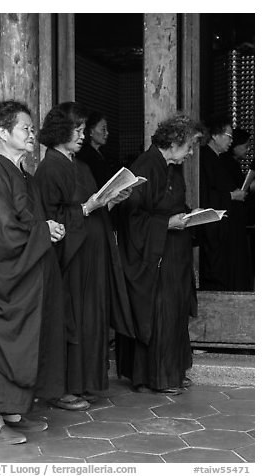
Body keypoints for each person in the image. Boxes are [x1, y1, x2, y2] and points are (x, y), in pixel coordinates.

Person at [0, 100, 66, 444]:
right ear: (2, 133)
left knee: (22, 343)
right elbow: (1, 233)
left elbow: (24, 220)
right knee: (0, 343)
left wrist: (47, 227)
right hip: (2, 280)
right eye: (25, 128)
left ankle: (11, 412)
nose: (32, 134)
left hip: (24, 277)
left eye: (32, 128)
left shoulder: (18, 171)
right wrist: (41, 232)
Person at [34, 101, 134, 410]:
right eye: (77, 130)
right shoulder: (50, 166)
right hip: (71, 260)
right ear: (60, 131)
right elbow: (48, 217)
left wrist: (112, 200)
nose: (81, 135)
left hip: (92, 257)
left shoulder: (81, 166)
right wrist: (87, 208)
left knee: (92, 321)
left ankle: (86, 383)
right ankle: (63, 388)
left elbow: (93, 207)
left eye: (81, 130)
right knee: (71, 321)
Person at [116, 113, 203, 395]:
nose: (190, 153)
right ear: (175, 141)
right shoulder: (145, 166)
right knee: (159, 312)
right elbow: (131, 217)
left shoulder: (171, 167)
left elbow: (172, 203)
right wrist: (167, 223)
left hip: (174, 251)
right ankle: (154, 377)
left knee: (174, 313)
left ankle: (171, 371)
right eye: (189, 146)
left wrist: (191, 215)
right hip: (155, 255)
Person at [199, 116, 251, 291]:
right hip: (214, 231)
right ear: (215, 135)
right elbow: (204, 195)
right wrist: (230, 196)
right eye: (228, 136)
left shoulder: (219, 159)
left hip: (226, 229)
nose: (231, 140)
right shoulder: (205, 158)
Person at [76, 111, 115, 189]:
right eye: (103, 129)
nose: (107, 133)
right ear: (91, 131)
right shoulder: (84, 156)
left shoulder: (105, 155)